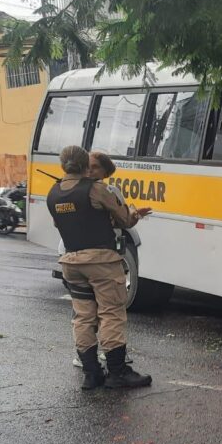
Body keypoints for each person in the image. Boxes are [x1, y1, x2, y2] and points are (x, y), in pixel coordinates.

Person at [47, 145, 152, 390]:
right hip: (102, 263)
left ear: (63, 166)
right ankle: (117, 372)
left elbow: (61, 222)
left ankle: (91, 374)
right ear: (85, 166)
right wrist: (135, 213)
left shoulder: (53, 194)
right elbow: (125, 219)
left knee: (83, 318)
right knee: (111, 313)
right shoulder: (97, 190)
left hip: (71, 263)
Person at [67, 151, 131, 368]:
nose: (90, 170)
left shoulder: (63, 190)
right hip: (99, 259)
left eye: (95, 167)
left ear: (106, 171)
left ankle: (93, 361)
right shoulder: (101, 190)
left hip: (73, 258)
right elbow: (125, 219)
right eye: (88, 166)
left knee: (87, 312)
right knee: (105, 311)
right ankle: (110, 362)